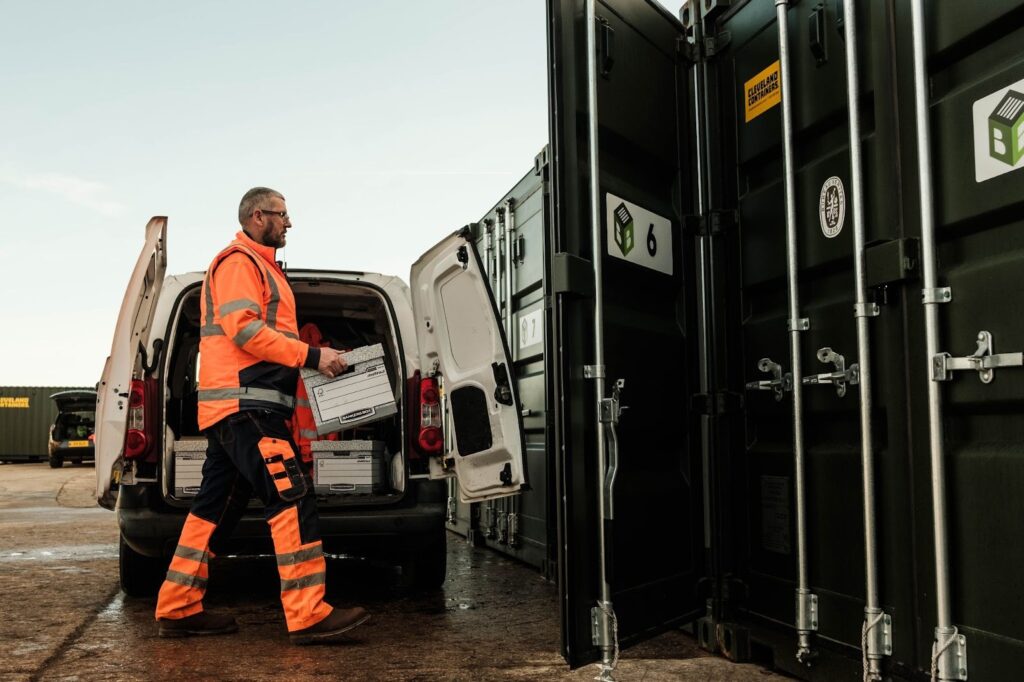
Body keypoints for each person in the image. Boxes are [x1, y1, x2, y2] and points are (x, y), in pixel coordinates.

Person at [154, 187, 369, 644]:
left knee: (212, 512)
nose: (289, 223)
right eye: (282, 214)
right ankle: (307, 613)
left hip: (240, 409)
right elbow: (245, 329)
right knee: (291, 495)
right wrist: (313, 355)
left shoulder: (262, 268)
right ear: (257, 216)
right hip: (245, 407)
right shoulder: (239, 263)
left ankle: (177, 606)